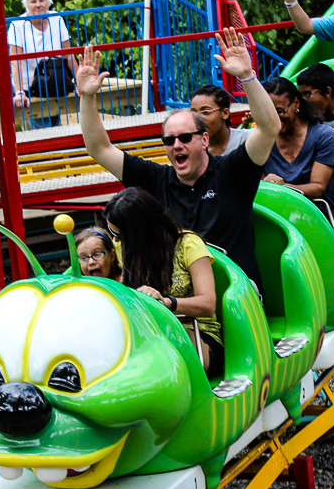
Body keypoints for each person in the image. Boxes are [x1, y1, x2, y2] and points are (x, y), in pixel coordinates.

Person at [77, 28, 281, 294]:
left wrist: (247, 76)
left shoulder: (232, 171)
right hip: (179, 299)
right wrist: (87, 97)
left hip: (235, 295)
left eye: (185, 137)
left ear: (205, 140)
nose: (176, 145)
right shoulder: (155, 179)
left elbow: (268, 128)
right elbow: (99, 148)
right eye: (169, 140)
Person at [102, 188, 224, 378]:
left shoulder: (188, 244)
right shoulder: (123, 247)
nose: (116, 239)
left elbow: (208, 305)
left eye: (120, 234)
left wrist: (166, 303)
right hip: (147, 334)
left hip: (197, 335)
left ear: (140, 231)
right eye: (112, 232)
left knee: (164, 346)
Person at [262, 77, 334, 238]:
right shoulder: (262, 139)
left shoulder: (322, 135)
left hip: (316, 213)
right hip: (277, 216)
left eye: (279, 111)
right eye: (267, 112)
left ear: (296, 104)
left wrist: (282, 188)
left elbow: (318, 188)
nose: (273, 119)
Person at [7, 0, 79, 129]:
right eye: (33, 2)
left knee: (55, 125)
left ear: (48, 2)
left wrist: (79, 81)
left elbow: (68, 54)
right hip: (31, 86)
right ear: (26, 4)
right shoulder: (17, 25)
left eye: (41, 0)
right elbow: (15, 61)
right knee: (44, 129)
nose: (38, 5)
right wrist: (19, 91)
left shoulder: (56, 19)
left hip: (56, 82)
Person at [190, 85, 251, 156]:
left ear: (225, 113)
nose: (198, 119)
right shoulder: (192, 149)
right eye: (194, 114)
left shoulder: (246, 140)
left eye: (206, 112)